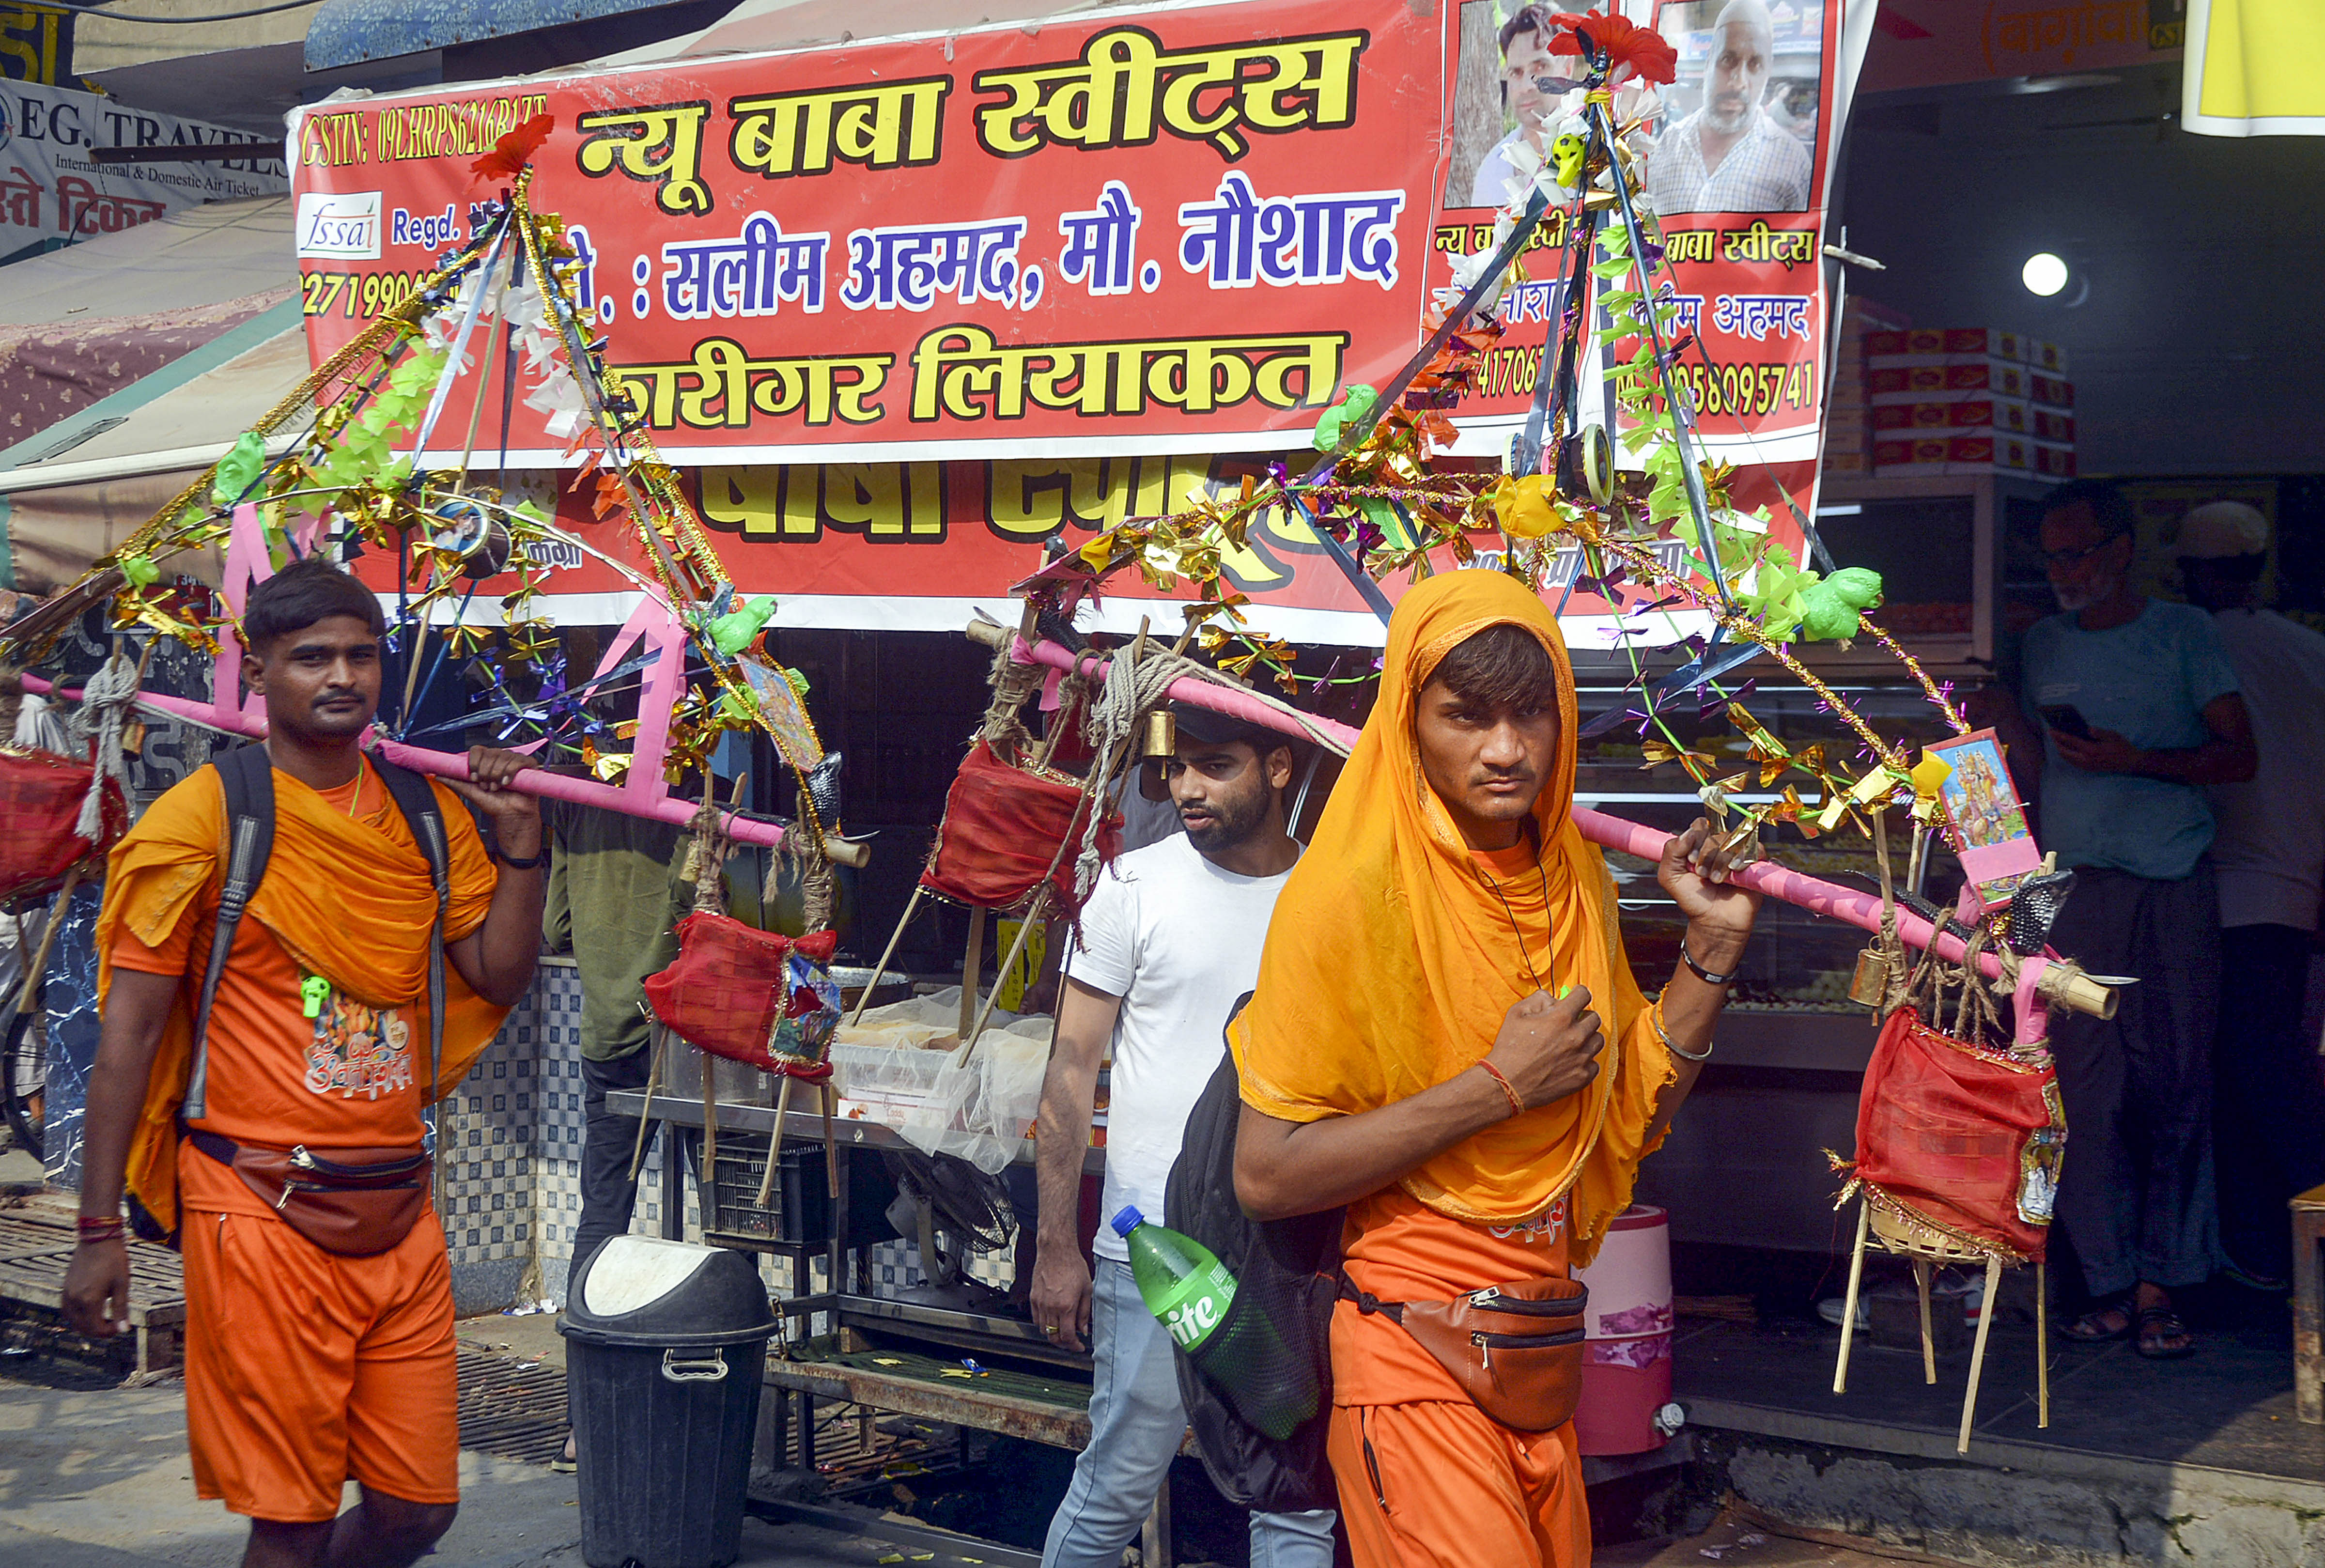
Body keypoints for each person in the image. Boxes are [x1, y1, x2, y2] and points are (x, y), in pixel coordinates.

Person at [1230, 571, 1759, 1568]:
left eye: (1532, 714)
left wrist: (1714, 948)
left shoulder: (1574, 879)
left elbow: (1622, 1118)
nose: (1506, 750)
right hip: (1412, 1345)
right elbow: (1265, 1173)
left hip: (1542, 1342)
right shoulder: (1345, 894)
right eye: (1467, 717)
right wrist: (1498, 1085)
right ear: (1408, 720)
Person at [62, 557, 548, 1568]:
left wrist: (523, 853)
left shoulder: (424, 814)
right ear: (259, 669)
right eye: (312, 656)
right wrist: (98, 1229)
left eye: (362, 655)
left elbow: (498, 976)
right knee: (288, 1523)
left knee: (419, 1510)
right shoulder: (202, 817)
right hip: (257, 1206)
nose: (343, 676)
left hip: (400, 1207)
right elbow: (129, 1042)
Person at [1029, 701, 1336, 1568]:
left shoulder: (1329, 896)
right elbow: (1067, 1071)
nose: (1186, 789)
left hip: (1285, 1251)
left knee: (1296, 1493)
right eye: (1176, 769)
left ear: (1279, 767)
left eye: (1216, 766)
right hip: (1156, 1254)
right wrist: (1057, 1243)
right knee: (1119, 1480)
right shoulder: (1130, 887)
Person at [1969, 478, 2256, 1359]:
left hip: (2170, 885)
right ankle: (2106, 1280)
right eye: (2051, 556)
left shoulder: (2185, 634)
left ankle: (2163, 1282)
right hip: (2066, 886)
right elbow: (2024, 763)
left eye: (2079, 552)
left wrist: (2139, 760)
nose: (2064, 571)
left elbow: (2239, 755)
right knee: (2081, 1094)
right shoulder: (2042, 641)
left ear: (2123, 548)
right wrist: (1997, 717)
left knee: (2174, 1085)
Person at [2174, 500, 2325, 1288]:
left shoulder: (2183, 644)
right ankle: (2267, 1256)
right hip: (2295, 891)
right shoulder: (2311, 651)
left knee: (2250, 1077)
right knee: (2270, 1068)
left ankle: (2278, 1250)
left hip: (2214, 890)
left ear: (2188, 572)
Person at [1645, 0, 1812, 215]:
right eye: (1728, 59)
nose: (1738, 81)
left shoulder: (1792, 159)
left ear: (1767, 72)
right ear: (1708, 63)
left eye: (1755, 64)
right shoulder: (1668, 145)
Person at [1470, 5, 1562, 207]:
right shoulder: (1492, 170)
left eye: (1540, 67)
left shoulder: (1597, 154)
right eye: (1516, 73)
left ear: (1568, 67)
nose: (1527, 86)